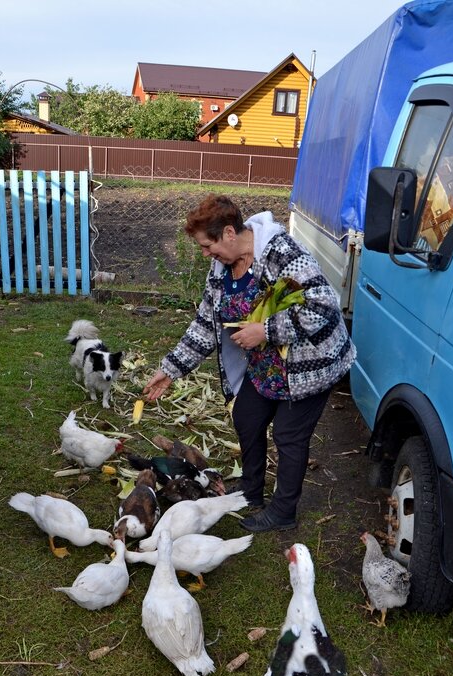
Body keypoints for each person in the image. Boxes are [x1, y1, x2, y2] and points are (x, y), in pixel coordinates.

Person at [143, 194, 356, 533]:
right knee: (247, 416)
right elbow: (205, 323)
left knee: (288, 435)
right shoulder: (222, 267)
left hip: (310, 364)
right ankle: (252, 489)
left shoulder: (282, 253)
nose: (204, 254)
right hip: (266, 364)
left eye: (206, 245)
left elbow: (321, 306)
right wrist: (171, 369)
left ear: (229, 233)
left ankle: (283, 511)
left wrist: (266, 330)